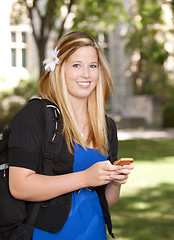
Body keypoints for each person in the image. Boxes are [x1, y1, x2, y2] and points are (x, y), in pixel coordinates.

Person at [8, 31, 134, 239]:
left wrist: (115, 181)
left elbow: (104, 201)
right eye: (76, 65)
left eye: (92, 66)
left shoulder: (106, 126)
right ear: (59, 69)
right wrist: (85, 178)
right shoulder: (35, 115)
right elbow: (19, 186)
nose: (86, 74)